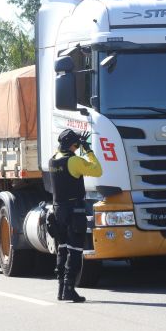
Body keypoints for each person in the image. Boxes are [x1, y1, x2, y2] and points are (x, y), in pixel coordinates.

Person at [49, 129, 102, 302]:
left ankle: (61, 289)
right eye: (77, 144)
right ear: (75, 145)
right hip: (74, 211)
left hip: (58, 210)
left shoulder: (53, 160)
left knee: (62, 249)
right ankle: (69, 289)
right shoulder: (74, 161)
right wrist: (88, 150)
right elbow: (97, 170)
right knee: (75, 250)